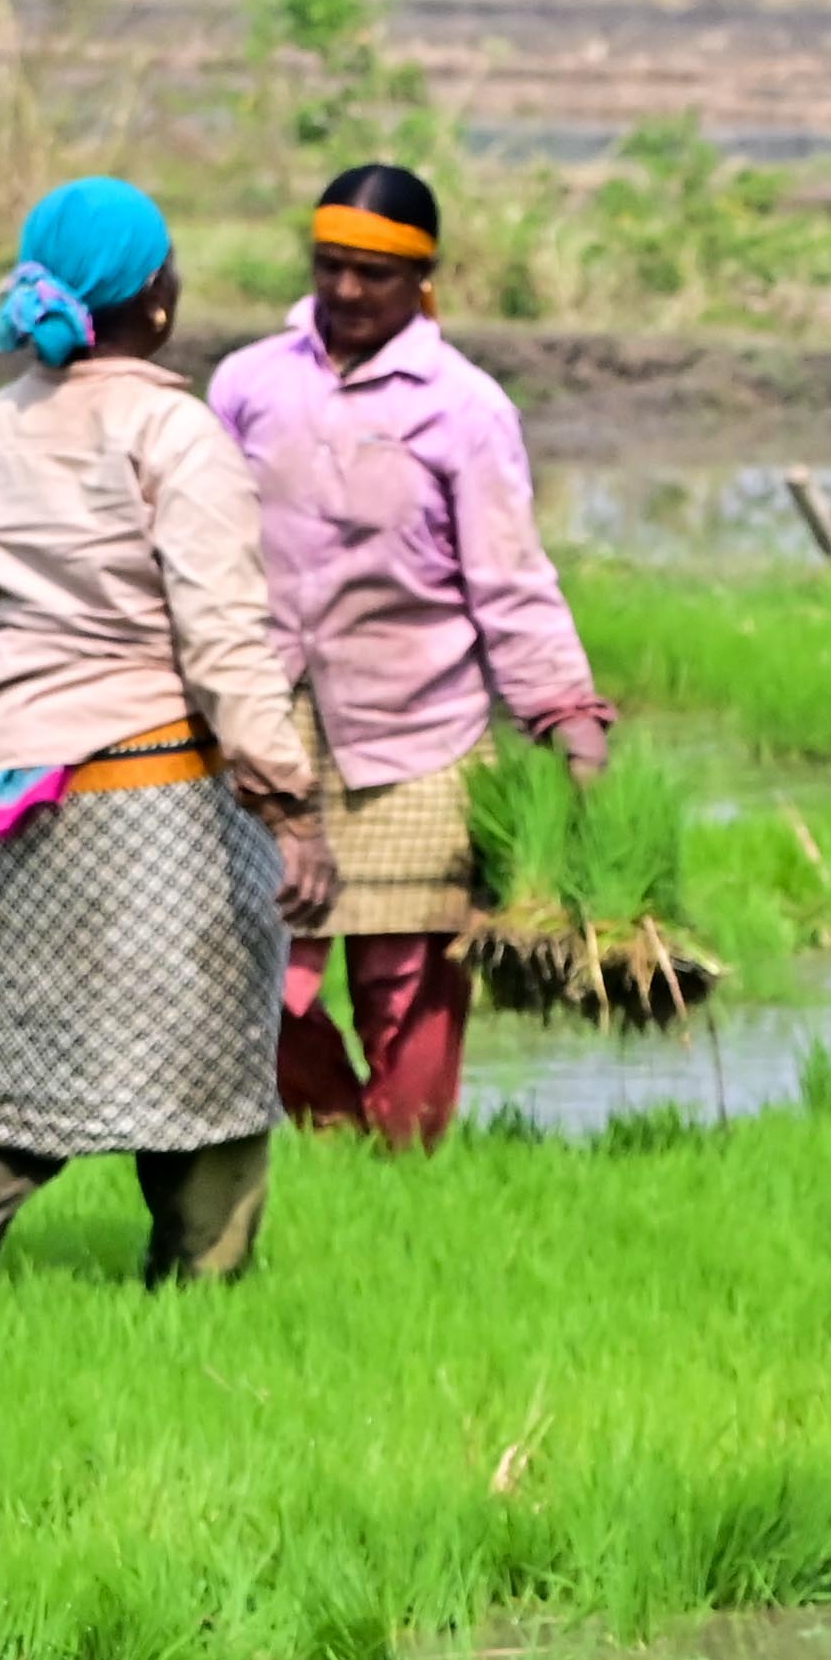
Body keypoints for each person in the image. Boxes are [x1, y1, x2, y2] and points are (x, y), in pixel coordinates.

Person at [0, 179, 327, 1303]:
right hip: (157, 793)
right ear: (156, 300)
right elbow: (224, 644)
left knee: (18, 1062)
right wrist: (288, 805)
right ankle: (202, 1301)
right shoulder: (174, 432)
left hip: (15, 794)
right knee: (210, 1064)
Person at [211, 161, 614, 1150]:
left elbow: (509, 579)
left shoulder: (465, 409)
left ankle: (405, 1169)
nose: (346, 292)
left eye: (373, 275)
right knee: (256, 974)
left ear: (421, 279)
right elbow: (200, 549)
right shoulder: (250, 384)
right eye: (330, 267)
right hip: (267, 727)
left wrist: (566, 716)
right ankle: (339, 1141)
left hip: (417, 735)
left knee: (409, 989)